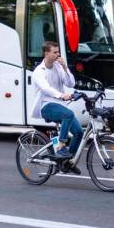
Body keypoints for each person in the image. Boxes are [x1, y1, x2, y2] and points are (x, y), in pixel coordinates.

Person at [31, 41, 83, 174]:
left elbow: (70, 83)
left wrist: (65, 68)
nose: (58, 54)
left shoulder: (58, 66)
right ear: (46, 53)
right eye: (55, 52)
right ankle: (61, 147)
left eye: (58, 52)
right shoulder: (39, 71)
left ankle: (66, 163)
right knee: (68, 114)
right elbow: (46, 88)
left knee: (79, 133)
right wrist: (61, 95)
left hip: (59, 105)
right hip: (46, 106)